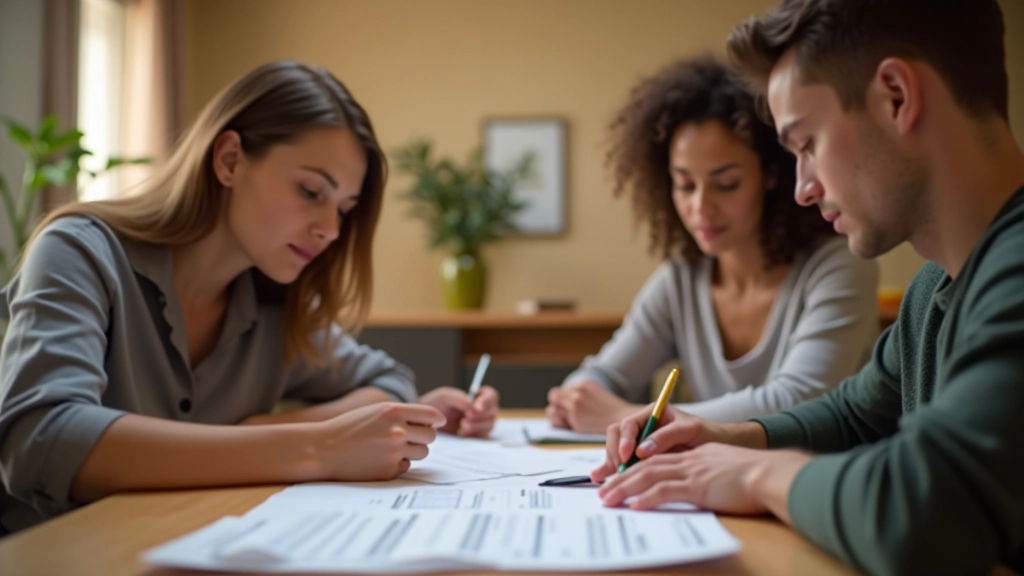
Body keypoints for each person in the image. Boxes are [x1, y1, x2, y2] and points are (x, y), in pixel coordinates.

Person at [593, 1, 1024, 574]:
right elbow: (856, 418)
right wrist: (718, 437)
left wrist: (751, 474)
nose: (802, 188)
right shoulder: (933, 290)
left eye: (806, 143)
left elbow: (924, 511)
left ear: (897, 96)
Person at [0, 61, 499, 534]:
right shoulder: (79, 251)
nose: (330, 230)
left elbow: (389, 382)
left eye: (344, 209)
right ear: (230, 160)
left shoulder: (273, 307)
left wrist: (269, 426)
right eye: (310, 191)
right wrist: (315, 445)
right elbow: (42, 439)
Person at [546, 56, 878, 433]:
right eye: (685, 185)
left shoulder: (840, 266)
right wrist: (575, 400)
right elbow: (600, 377)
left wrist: (624, 417)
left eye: (726, 184)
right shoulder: (680, 280)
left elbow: (797, 400)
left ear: (771, 174)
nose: (701, 208)